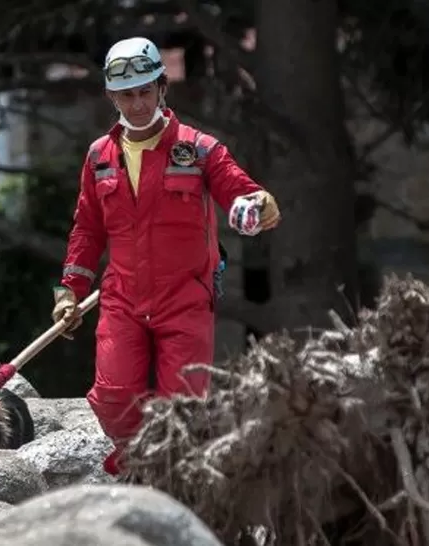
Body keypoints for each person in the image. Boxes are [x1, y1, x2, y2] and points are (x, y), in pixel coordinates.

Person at [51, 37, 281, 476]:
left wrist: (262, 204)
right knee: (114, 396)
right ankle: (144, 463)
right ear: (111, 95)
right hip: (122, 296)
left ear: (161, 88)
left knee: (184, 408)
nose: (136, 104)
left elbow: (242, 191)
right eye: (125, 94)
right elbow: (87, 228)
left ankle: (167, 477)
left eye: (144, 92)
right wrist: (69, 290)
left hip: (186, 296)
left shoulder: (199, 149)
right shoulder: (99, 157)